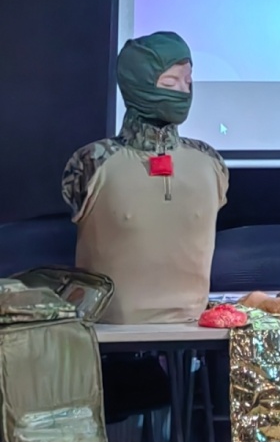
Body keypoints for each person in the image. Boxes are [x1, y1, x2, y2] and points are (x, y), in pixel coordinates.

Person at [62, 31, 228, 324]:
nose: (183, 92)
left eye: (188, 81)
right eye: (170, 83)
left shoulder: (210, 162)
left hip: (194, 330)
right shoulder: (93, 162)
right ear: (137, 84)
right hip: (109, 331)